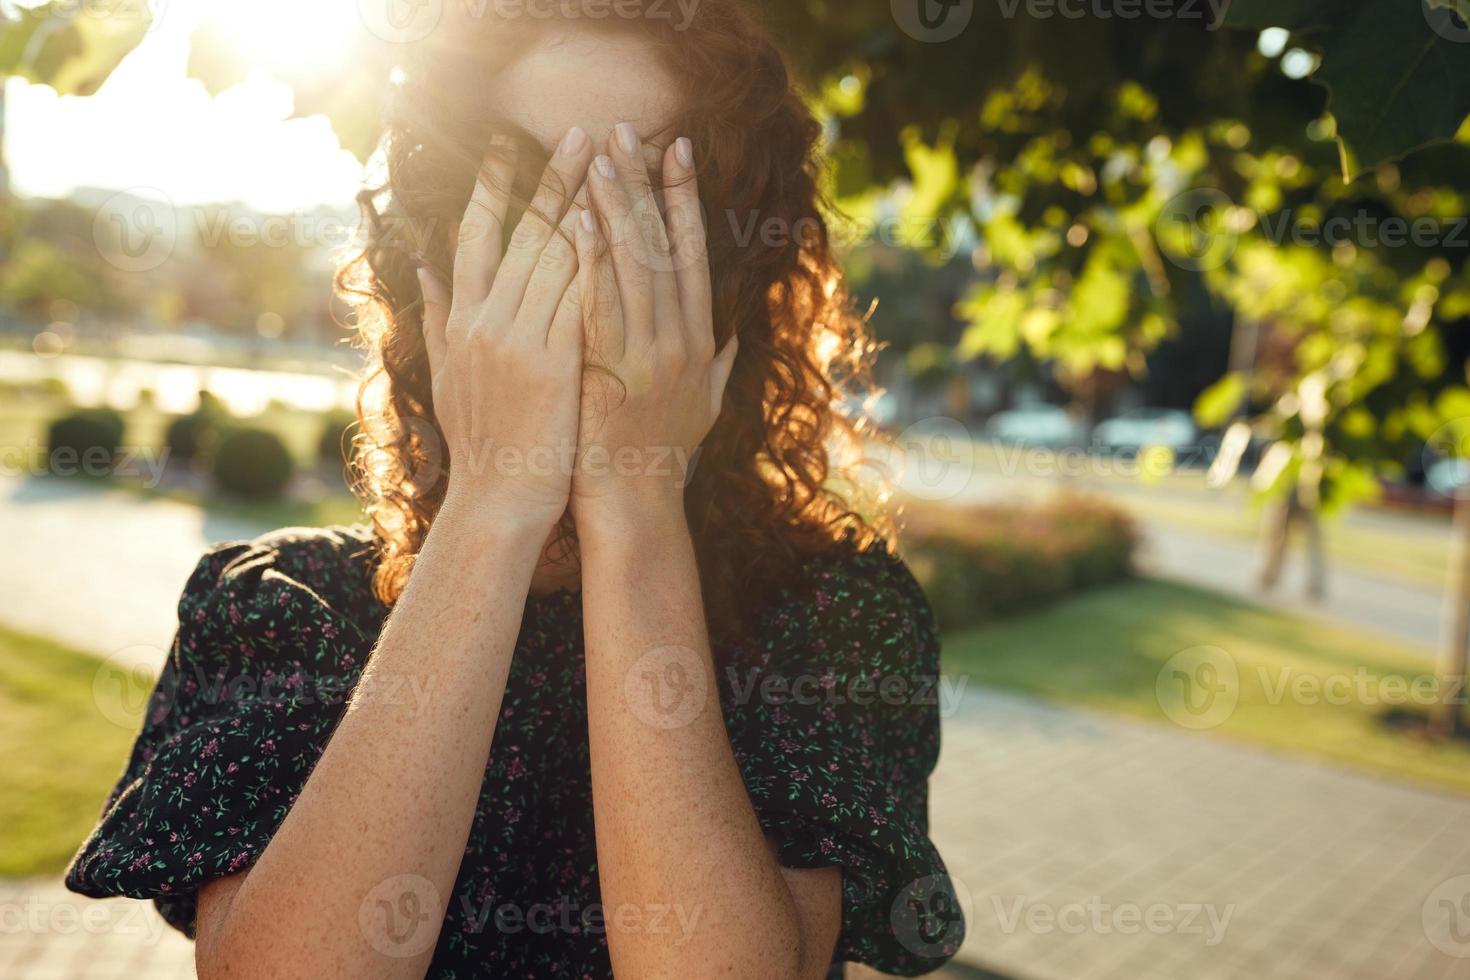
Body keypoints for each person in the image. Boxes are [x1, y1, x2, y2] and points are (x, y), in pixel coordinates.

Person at [66, 3, 963, 976]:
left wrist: (634, 503)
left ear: (733, 268)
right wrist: (496, 499)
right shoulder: (280, 611)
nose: (576, 250)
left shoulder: (835, 622)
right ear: (438, 259)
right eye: (532, 185)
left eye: (644, 191)